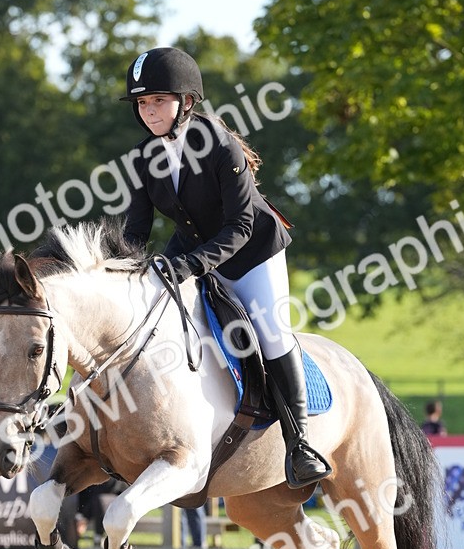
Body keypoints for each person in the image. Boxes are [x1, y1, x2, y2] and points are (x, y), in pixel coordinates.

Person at [119, 46, 332, 489]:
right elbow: (136, 231)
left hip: (253, 250)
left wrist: (189, 266)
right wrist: (121, 271)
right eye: (143, 103)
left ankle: (301, 444)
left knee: (271, 332)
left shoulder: (219, 144)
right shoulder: (142, 158)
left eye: (158, 100)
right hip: (197, 249)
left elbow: (241, 223)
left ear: (187, 102)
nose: (149, 111)